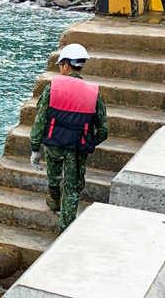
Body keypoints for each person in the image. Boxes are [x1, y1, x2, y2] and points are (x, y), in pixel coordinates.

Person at [29, 43, 109, 230]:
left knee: (54, 174)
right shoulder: (93, 92)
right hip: (77, 148)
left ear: (65, 65)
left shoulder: (52, 88)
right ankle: (66, 228)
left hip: (54, 144)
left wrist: (34, 149)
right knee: (72, 188)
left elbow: (40, 121)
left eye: (60, 65)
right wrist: (89, 142)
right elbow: (103, 130)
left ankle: (54, 200)